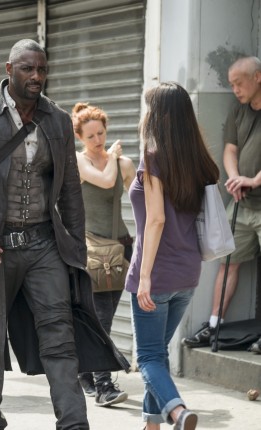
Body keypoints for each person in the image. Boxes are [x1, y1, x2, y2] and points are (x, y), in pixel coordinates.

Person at [0, 39, 128, 430]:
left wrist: (76, 250)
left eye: (42, 69)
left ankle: (74, 424)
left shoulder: (56, 119)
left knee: (60, 336)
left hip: (44, 243)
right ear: (9, 69)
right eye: (28, 68)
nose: (36, 76)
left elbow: (70, 190)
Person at [127, 82, 220, 430]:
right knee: (158, 353)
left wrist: (145, 276)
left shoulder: (152, 158)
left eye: (149, 107)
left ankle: (178, 413)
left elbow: (156, 220)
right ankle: (151, 425)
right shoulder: (197, 161)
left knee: (148, 357)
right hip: (188, 273)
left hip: (157, 273)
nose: (145, 114)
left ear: (160, 116)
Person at [182, 56, 261, 351]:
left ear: (258, 77)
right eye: (231, 84)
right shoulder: (239, 110)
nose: (235, 90)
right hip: (242, 201)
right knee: (228, 262)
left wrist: (255, 180)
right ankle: (214, 326)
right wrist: (236, 177)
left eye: (239, 83)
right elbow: (230, 149)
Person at [72, 102, 135, 406]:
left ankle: (85, 372)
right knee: (102, 318)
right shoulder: (78, 161)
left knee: (103, 315)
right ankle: (103, 385)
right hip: (94, 250)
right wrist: (112, 156)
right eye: (91, 136)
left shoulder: (124, 164)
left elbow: (140, 200)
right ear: (80, 138)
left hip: (121, 247)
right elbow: (107, 181)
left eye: (101, 133)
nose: (98, 140)